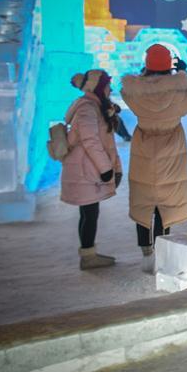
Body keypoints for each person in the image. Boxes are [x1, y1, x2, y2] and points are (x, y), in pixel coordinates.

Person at [121, 44, 187, 273]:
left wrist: (142, 77)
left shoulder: (135, 93)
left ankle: (146, 253)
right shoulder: (177, 95)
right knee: (164, 205)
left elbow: (125, 92)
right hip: (171, 150)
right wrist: (185, 76)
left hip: (144, 150)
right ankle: (162, 252)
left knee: (143, 201)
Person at [60, 69, 122, 270]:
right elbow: (91, 141)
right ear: (97, 87)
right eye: (106, 85)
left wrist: (115, 168)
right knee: (89, 212)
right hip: (84, 169)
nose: (110, 89)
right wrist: (106, 169)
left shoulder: (95, 105)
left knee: (88, 212)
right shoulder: (87, 108)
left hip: (86, 167)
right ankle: (88, 256)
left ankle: (88, 253)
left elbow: (106, 141)